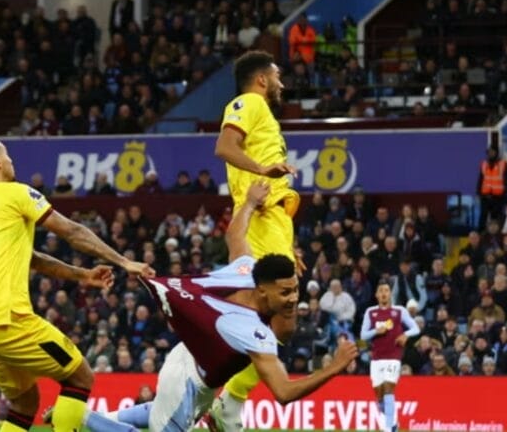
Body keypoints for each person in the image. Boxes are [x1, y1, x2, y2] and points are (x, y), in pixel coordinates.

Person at [61, 182, 358, 432]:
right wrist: (333, 368)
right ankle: (80, 417)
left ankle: (92, 417)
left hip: (192, 366)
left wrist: (251, 203)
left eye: (295, 289)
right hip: (189, 381)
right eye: (285, 292)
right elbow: (283, 392)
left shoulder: (246, 268)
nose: (294, 298)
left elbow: (235, 235)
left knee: (161, 412)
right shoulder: (253, 332)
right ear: (263, 290)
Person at [0, 136, 152, 432]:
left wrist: (82, 275)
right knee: (80, 378)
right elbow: (72, 231)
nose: (12, 161)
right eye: (8, 156)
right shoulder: (15, 193)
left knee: (24, 404)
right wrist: (123, 262)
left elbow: (29, 257)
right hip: (9, 319)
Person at [212, 49, 300, 429]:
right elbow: (225, 147)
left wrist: (289, 247)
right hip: (261, 218)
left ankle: (228, 399)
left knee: (279, 319)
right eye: (277, 75)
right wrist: (263, 168)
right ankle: (230, 398)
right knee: (280, 316)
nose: (281, 82)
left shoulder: (263, 114)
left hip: (274, 221)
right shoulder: (248, 102)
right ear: (262, 79)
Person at [360, 280, 421, 432]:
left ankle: (388, 429)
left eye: (386, 290)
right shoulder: (371, 312)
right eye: (380, 291)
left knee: (389, 389)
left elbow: (415, 328)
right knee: (380, 399)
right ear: (376, 295)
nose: (383, 293)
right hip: (376, 359)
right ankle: (393, 423)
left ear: (390, 294)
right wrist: (376, 331)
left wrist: (405, 335)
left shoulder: (399, 311)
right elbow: (363, 335)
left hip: (393, 356)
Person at [477, 146, 507, 229]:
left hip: (498, 197)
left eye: (492, 152)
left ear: (496, 153)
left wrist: (505, 195)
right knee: (483, 216)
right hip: (485, 196)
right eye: (489, 152)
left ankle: (496, 236)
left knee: (495, 218)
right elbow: (481, 179)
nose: (490, 154)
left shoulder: (503, 164)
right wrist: (478, 192)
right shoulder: (484, 164)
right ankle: (481, 235)